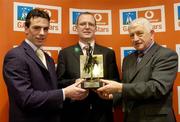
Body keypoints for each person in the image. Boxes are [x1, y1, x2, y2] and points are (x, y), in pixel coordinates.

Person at [3, 8, 87, 122]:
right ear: (26, 29)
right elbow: (26, 98)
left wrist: (75, 83)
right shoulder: (15, 56)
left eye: (46, 29)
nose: (42, 33)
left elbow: (52, 87)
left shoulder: (48, 59)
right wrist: (65, 93)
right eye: (37, 28)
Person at [97, 17, 178, 122]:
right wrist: (112, 96)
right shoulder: (127, 59)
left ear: (152, 34)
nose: (135, 39)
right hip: (131, 117)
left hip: (156, 119)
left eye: (140, 34)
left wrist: (120, 88)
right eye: (132, 35)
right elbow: (127, 85)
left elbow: (157, 88)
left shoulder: (166, 55)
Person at [56, 12, 120, 122]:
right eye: (82, 24)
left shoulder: (108, 53)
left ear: (95, 28)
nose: (87, 27)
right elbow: (59, 82)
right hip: (74, 114)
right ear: (76, 28)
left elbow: (115, 81)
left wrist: (104, 85)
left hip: (102, 114)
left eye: (90, 24)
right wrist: (75, 82)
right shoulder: (64, 53)